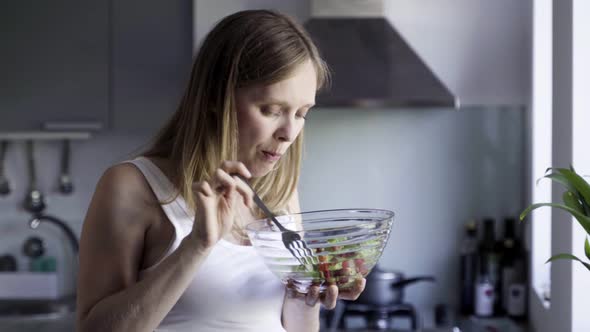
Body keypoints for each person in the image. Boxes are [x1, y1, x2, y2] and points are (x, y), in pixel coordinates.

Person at [76, 9, 366, 332]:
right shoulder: (132, 186)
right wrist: (197, 246)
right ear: (217, 98)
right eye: (271, 110)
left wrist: (308, 296)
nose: (289, 133)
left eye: (302, 113)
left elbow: (296, 327)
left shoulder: (282, 193)